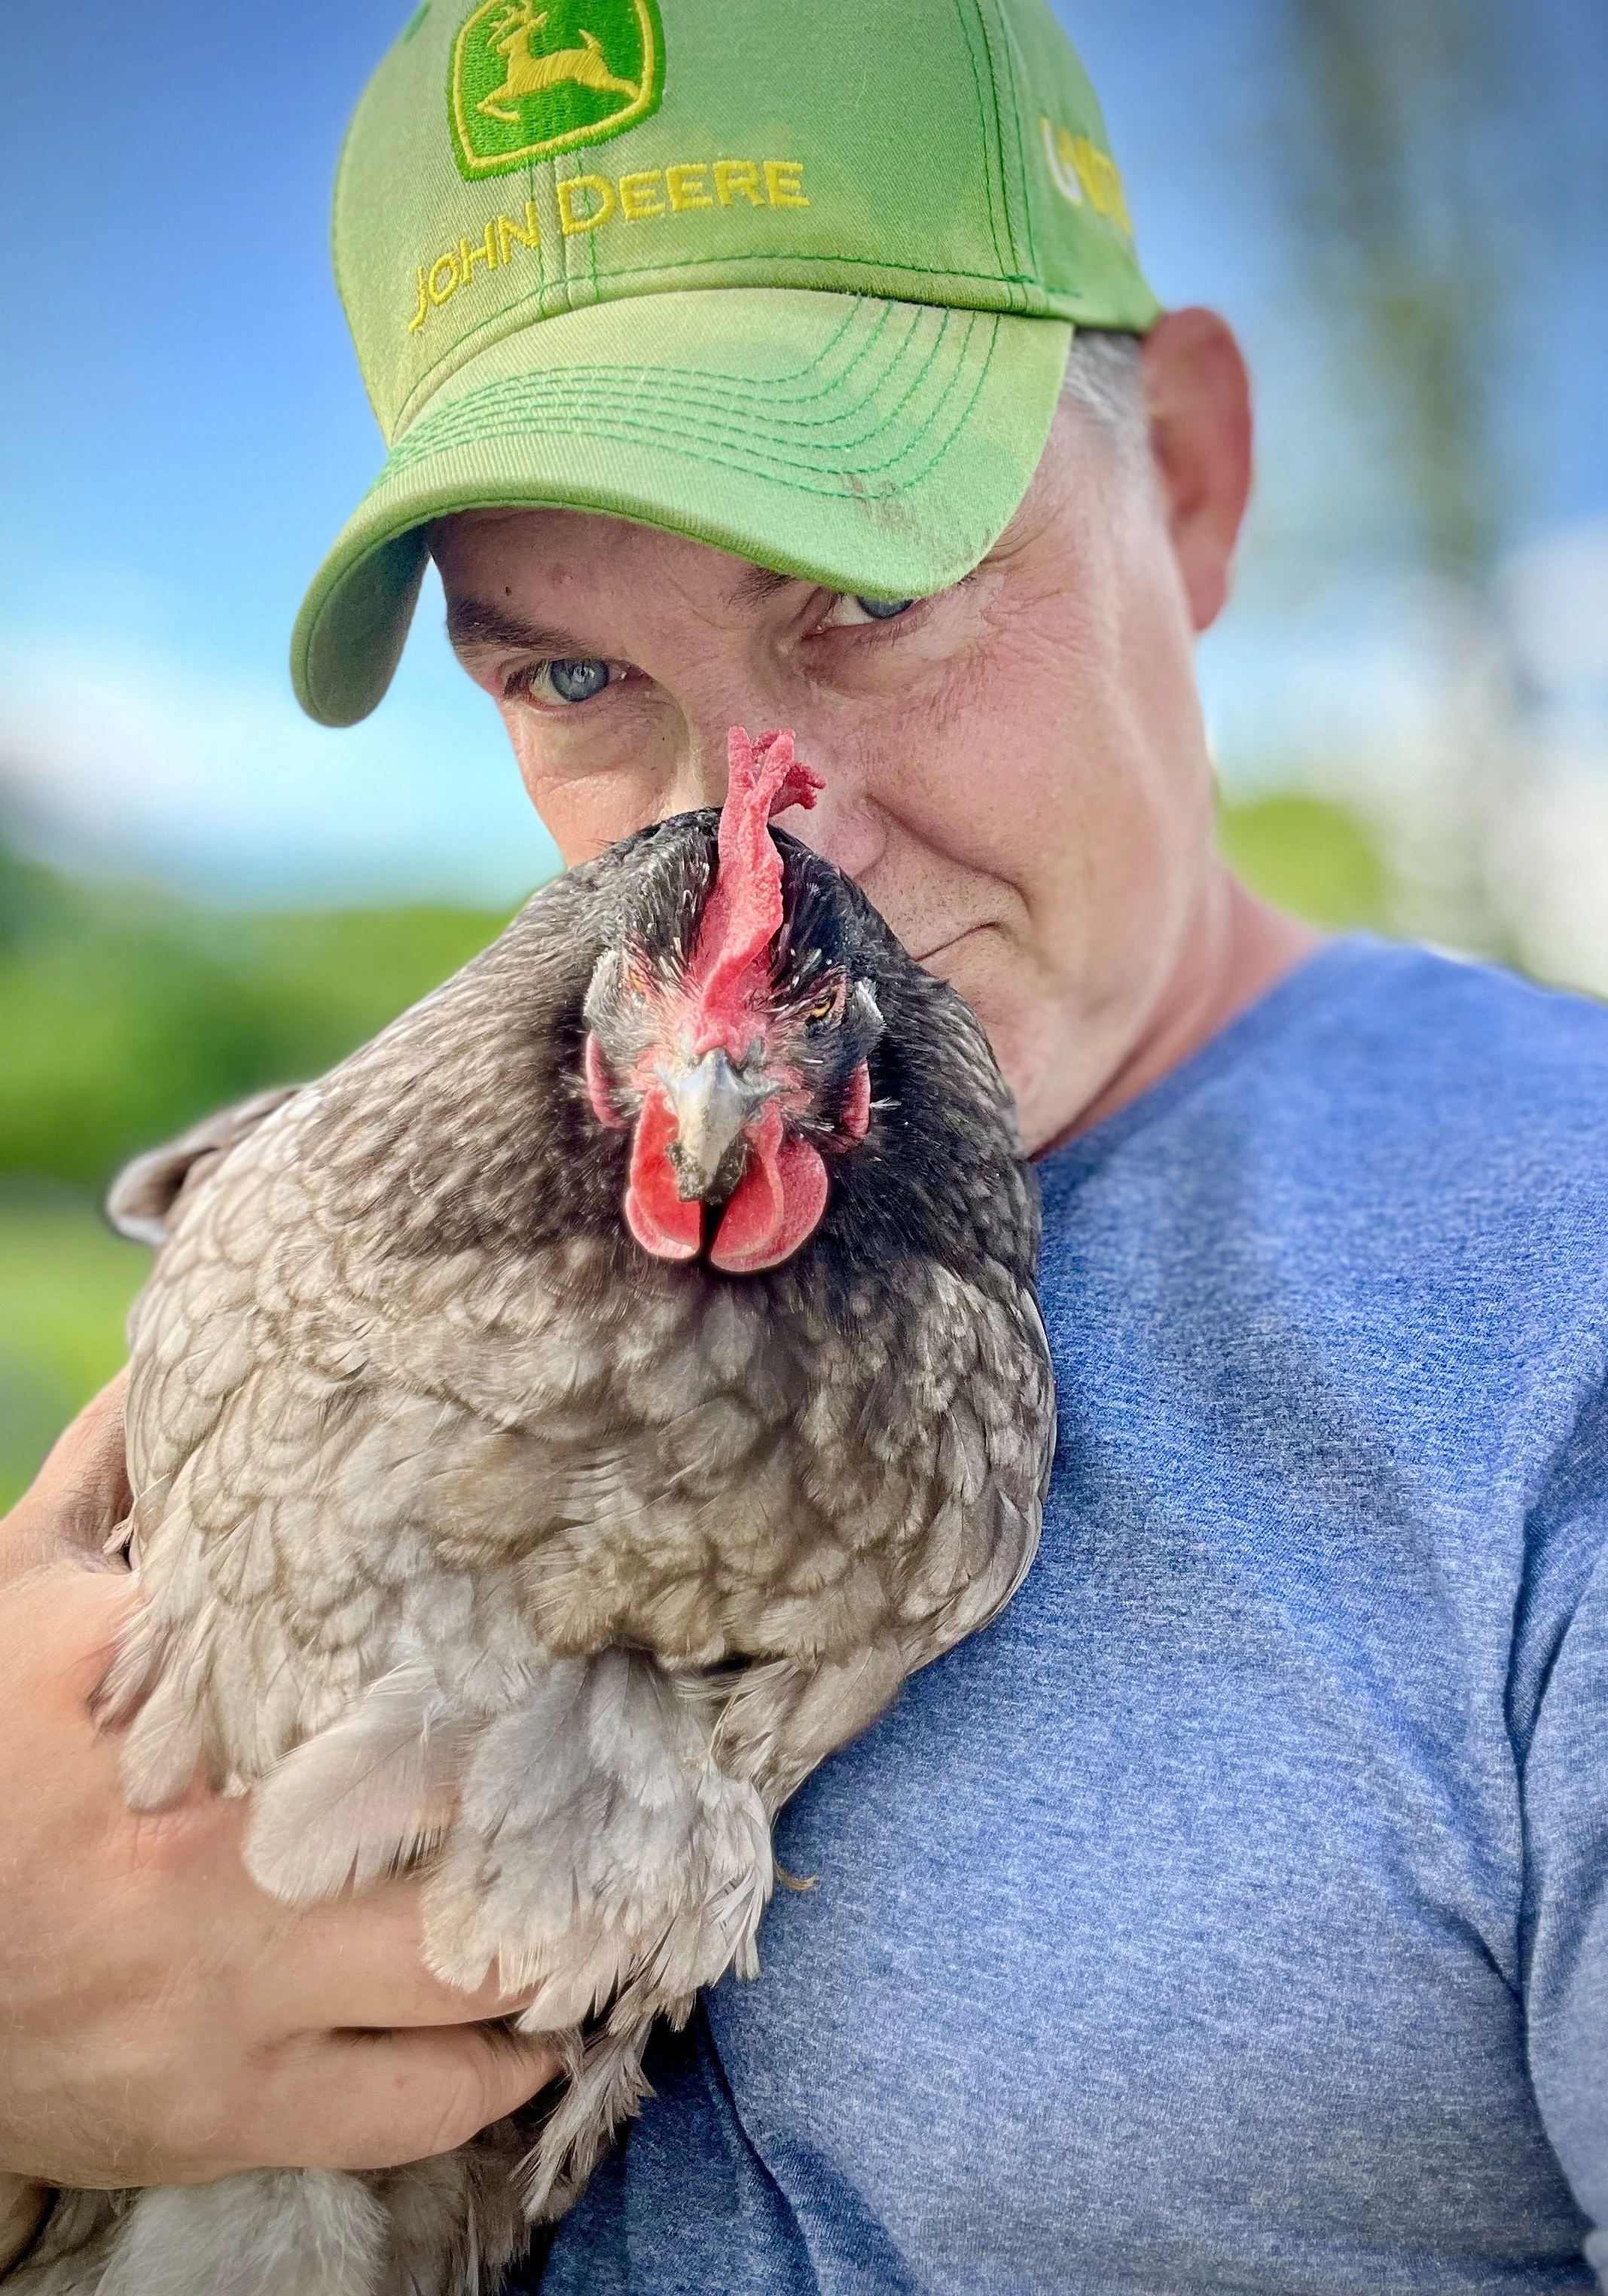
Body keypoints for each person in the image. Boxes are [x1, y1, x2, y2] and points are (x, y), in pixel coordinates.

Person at [4, 0, 1607, 2286]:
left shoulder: (1551, 1318)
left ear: (1191, 475)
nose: (767, 821)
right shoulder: (370, 1204)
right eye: (569, 675)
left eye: (865, 597)